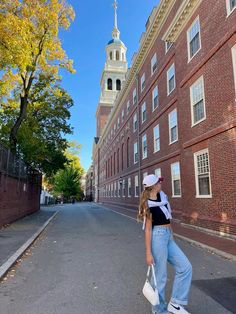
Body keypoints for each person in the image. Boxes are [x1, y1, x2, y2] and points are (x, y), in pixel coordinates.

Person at [137, 174, 192, 314]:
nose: (161, 184)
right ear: (153, 186)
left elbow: (167, 218)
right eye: (159, 182)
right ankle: (159, 310)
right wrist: (148, 253)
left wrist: (171, 235)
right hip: (157, 237)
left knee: (185, 267)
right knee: (160, 276)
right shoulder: (148, 204)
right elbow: (148, 229)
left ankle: (175, 303)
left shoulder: (163, 196)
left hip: (167, 236)